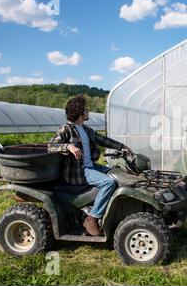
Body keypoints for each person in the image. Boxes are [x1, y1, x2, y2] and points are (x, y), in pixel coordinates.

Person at [48, 95, 131, 236]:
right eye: (86, 109)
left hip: (90, 166)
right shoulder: (66, 129)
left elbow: (102, 139)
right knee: (108, 183)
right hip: (79, 171)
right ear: (79, 112)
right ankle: (91, 218)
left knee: (117, 173)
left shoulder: (85, 129)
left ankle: (113, 213)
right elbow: (51, 146)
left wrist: (121, 146)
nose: (88, 112)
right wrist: (68, 147)